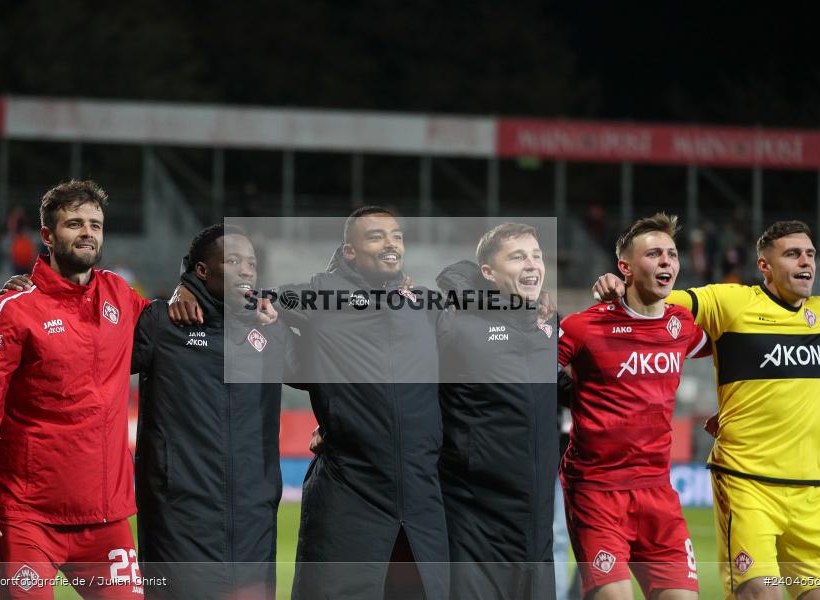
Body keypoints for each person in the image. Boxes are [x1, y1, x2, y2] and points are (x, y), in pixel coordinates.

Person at [172, 207, 449, 600]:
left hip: (422, 505)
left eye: (397, 236)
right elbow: (241, 297)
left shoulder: (425, 306)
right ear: (349, 252)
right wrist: (186, 285)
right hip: (351, 498)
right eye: (376, 236)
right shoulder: (319, 296)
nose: (391, 243)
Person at [592, 220, 820, 600]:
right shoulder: (732, 302)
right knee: (760, 593)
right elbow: (662, 301)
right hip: (747, 484)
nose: (805, 261)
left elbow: (818, 366)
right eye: (792, 254)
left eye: (810, 254)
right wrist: (619, 287)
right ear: (765, 266)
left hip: (809, 491)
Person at [0, 180, 149, 598]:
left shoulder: (120, 294)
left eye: (96, 225)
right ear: (47, 235)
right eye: (74, 223)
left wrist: (196, 291)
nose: (88, 233)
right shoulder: (14, 311)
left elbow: (174, 329)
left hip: (106, 519)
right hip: (27, 518)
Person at [130, 223, 291, 599]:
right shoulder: (163, 324)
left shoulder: (269, 329)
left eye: (251, 263)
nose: (247, 270)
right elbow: (93, 348)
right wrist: (33, 291)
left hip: (254, 520)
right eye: (233, 260)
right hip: (180, 522)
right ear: (201, 270)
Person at [559, 214, 707, 600]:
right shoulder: (583, 327)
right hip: (597, 490)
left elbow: (739, 352)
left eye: (672, 255)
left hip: (658, 492)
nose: (667, 262)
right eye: (654, 254)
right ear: (624, 267)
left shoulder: (682, 324)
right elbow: (524, 371)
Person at [434, 223, 558, 599]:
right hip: (475, 528)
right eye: (518, 257)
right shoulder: (455, 325)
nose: (532, 265)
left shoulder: (549, 328)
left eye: (537, 255)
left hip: (536, 534)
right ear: (487, 272)